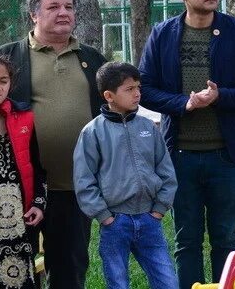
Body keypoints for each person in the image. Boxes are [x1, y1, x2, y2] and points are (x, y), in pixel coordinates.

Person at [138, 0, 235, 288]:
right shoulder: (163, 34)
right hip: (179, 156)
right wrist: (183, 102)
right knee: (186, 241)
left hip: (225, 155)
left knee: (225, 238)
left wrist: (219, 96)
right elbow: (145, 89)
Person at [0, 0, 105, 289]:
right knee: (14, 269)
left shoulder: (93, 59)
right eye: (53, 7)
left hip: (75, 186)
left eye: (68, 7)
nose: (63, 13)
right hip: (19, 191)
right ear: (34, 15)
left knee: (69, 269)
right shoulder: (6, 59)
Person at [73, 63, 178, 289]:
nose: (137, 93)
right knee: (118, 283)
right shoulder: (92, 132)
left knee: (168, 282)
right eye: (129, 89)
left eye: (138, 87)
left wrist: (159, 209)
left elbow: (166, 171)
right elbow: (84, 180)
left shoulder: (148, 128)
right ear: (109, 95)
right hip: (115, 223)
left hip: (150, 220)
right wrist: (104, 217)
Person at [0, 52, 45, 289]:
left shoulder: (25, 118)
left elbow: (39, 167)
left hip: (18, 223)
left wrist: (38, 203)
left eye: (3, 81)